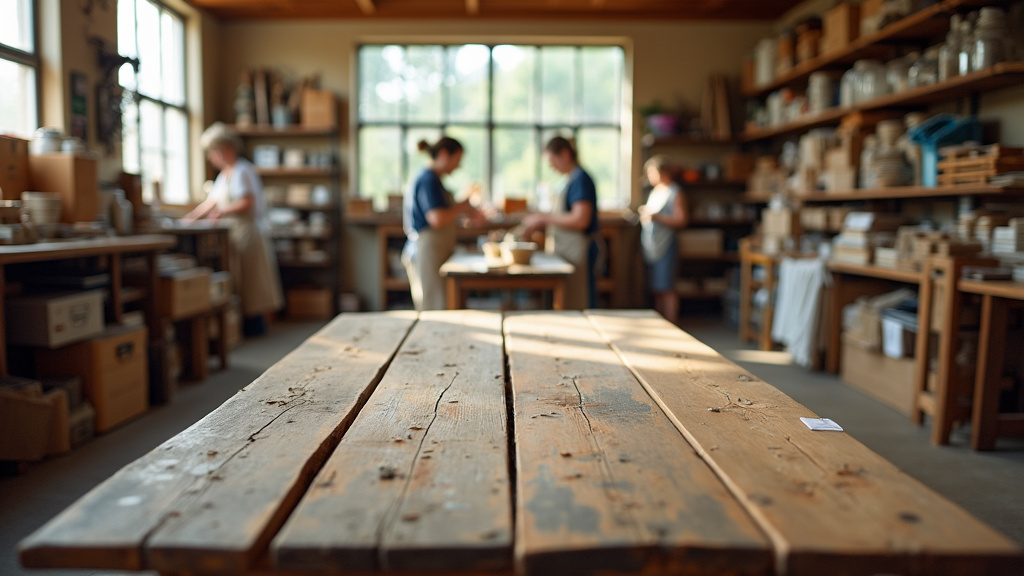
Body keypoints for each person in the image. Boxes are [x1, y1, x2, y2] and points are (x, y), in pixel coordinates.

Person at [183, 122, 283, 336]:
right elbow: (210, 202)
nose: (212, 158)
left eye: (214, 152)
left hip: (248, 233)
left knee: (253, 284)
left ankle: (255, 327)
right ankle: (243, 327)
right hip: (236, 234)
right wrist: (189, 218)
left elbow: (247, 202)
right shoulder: (224, 175)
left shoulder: (242, 171)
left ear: (226, 149)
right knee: (241, 282)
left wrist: (222, 212)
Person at [402, 136, 481, 311]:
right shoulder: (427, 179)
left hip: (436, 249)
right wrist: (461, 206)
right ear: (445, 154)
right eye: (457, 160)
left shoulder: (435, 180)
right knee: (433, 308)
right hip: (427, 250)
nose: (458, 166)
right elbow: (436, 219)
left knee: (441, 304)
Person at [522, 136, 599, 310]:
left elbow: (581, 219)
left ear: (564, 154)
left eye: (552, 161)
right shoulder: (568, 180)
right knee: (566, 300)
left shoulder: (580, 179)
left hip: (579, 249)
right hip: (566, 249)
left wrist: (544, 218)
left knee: (578, 302)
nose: (551, 167)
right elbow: (563, 214)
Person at [638, 155, 688, 324]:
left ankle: (671, 323)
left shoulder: (674, 192)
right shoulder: (655, 191)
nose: (650, 177)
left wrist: (657, 217)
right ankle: (660, 322)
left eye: (652, 173)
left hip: (666, 244)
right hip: (652, 244)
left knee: (666, 287)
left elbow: (681, 220)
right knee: (656, 288)